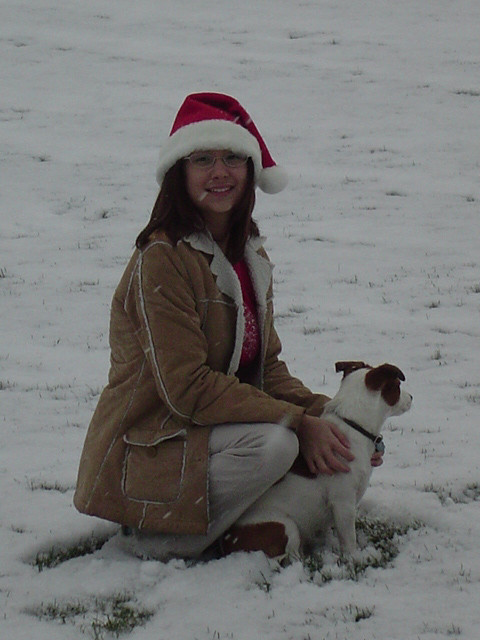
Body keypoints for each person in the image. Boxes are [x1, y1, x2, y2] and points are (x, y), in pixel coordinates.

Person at [74, 92, 382, 560]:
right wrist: (300, 423)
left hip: (209, 437)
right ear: (180, 172)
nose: (220, 172)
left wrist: (339, 423)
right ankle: (168, 540)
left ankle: (235, 522)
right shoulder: (163, 258)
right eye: (203, 159)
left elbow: (268, 370)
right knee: (277, 444)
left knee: (296, 434)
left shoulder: (249, 256)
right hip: (153, 446)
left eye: (232, 158)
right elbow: (186, 388)